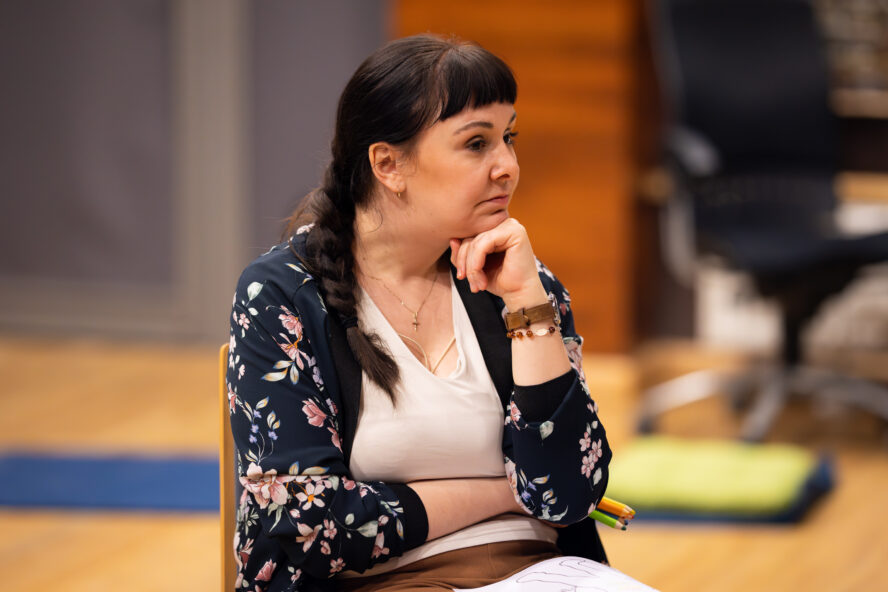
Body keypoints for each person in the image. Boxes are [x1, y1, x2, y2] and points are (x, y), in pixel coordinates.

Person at [227, 34, 611, 592]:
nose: (507, 166)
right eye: (476, 143)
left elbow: (570, 493)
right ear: (388, 164)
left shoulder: (519, 281)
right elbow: (311, 526)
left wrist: (528, 304)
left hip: (539, 572)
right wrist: (505, 493)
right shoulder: (282, 293)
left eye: (508, 138)